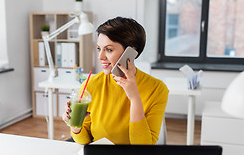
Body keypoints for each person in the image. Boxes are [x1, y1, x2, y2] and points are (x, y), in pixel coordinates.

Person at [62, 17, 169, 145]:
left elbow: (142, 147)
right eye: (99, 49)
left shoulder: (157, 89)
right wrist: (75, 124)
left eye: (108, 49)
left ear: (130, 52)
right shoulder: (91, 84)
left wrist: (134, 97)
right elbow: (84, 142)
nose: (100, 57)